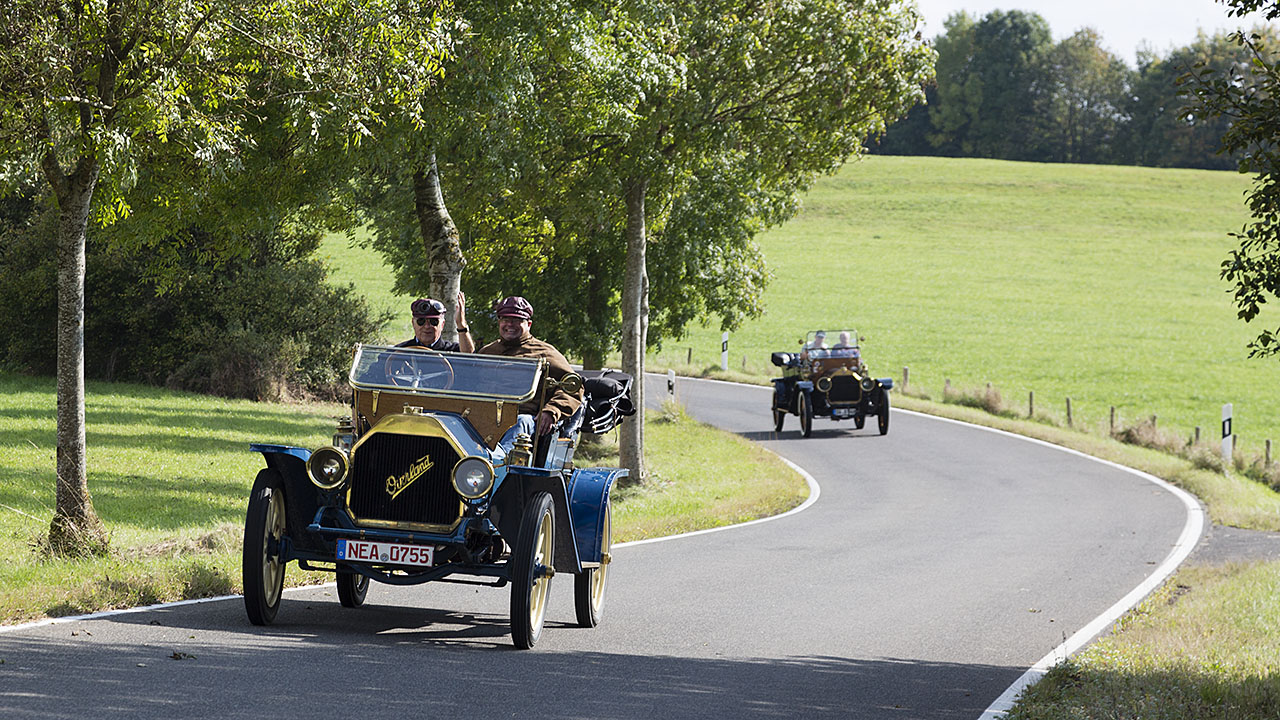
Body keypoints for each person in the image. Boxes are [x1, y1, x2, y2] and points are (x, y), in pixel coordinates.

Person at [478, 296, 582, 461]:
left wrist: (550, 411)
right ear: (499, 322)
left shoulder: (545, 353)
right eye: (505, 319)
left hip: (524, 419)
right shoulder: (487, 352)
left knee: (520, 421)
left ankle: (497, 464)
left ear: (529, 324)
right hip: (486, 417)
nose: (510, 325)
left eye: (517, 320)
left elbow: (573, 386)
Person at [397, 291, 474, 353]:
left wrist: (461, 324)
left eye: (433, 322)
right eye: (421, 321)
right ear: (413, 323)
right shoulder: (400, 352)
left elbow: (468, 355)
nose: (427, 326)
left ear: (442, 325)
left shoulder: (451, 351)